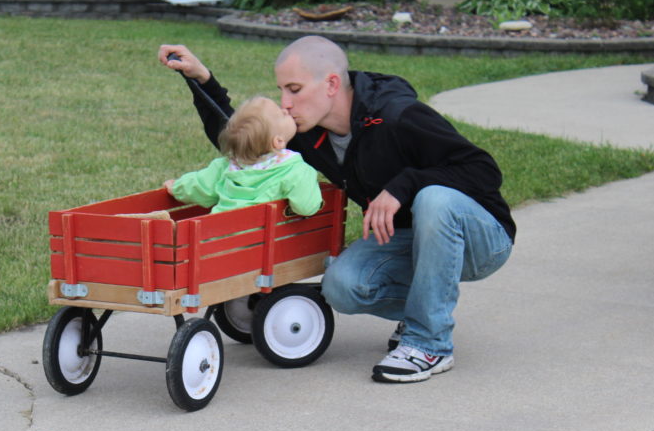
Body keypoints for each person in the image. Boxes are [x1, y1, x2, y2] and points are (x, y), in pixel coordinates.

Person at [158, 36, 515, 383]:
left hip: (479, 238)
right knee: (341, 286)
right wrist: (201, 79)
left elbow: (483, 170)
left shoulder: (396, 115)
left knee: (433, 198)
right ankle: (425, 307)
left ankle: (429, 343)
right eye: (281, 90)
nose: (284, 103)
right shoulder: (306, 131)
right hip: (409, 237)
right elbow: (246, 139)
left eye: (294, 90)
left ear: (330, 84)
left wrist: (402, 186)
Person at [165, 95, 322, 217]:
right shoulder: (295, 170)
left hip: (217, 240)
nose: (286, 110)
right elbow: (306, 207)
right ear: (278, 141)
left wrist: (177, 187)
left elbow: (200, 186)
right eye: (281, 114)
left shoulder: (226, 167)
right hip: (262, 243)